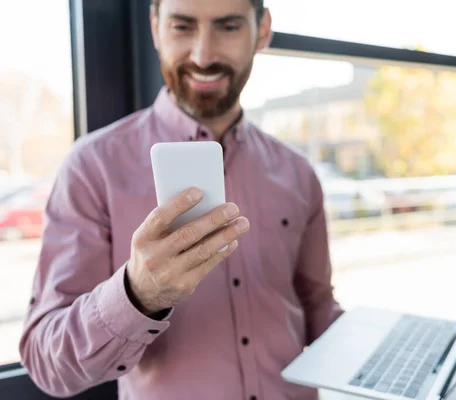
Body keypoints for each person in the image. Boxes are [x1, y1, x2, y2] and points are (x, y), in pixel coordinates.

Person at [19, 0, 344, 399]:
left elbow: (317, 309)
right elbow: (46, 363)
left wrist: (392, 350)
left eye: (228, 27)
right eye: (182, 27)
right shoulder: (93, 167)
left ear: (262, 30)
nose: (203, 55)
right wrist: (138, 294)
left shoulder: (298, 173)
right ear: (155, 28)